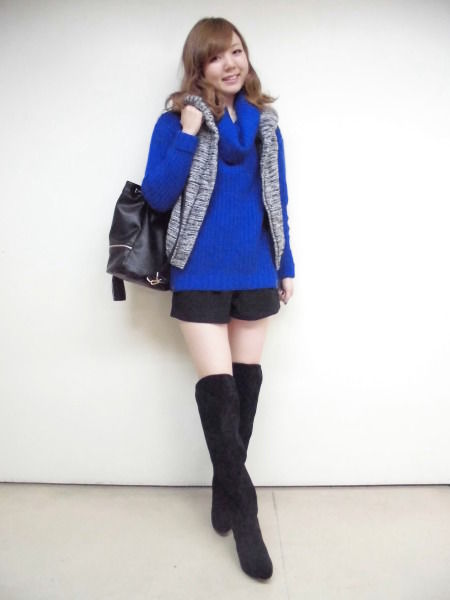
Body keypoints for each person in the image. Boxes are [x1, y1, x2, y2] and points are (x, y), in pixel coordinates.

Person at [141, 17, 295, 581]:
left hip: (255, 270)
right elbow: (157, 195)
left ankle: (223, 487)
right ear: (198, 67)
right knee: (220, 393)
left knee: (245, 393)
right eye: (215, 56)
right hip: (198, 271)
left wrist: (286, 265)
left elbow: (278, 201)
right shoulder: (174, 121)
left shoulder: (265, 125)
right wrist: (187, 132)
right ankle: (247, 518)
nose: (230, 63)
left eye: (236, 51)